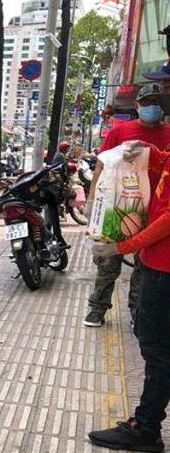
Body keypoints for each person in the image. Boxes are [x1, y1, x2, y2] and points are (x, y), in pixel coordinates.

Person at [87, 138, 170, 453]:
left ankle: (146, 428)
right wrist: (152, 153)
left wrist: (122, 246)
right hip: (157, 263)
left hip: (165, 268)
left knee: (157, 348)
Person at [83, 83, 170, 328]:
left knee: (143, 265)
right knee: (108, 262)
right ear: (136, 105)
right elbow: (101, 166)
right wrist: (92, 202)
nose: (151, 106)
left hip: (154, 211)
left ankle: (136, 311)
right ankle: (98, 308)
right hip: (119, 207)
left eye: (156, 101)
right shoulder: (120, 132)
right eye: (146, 102)